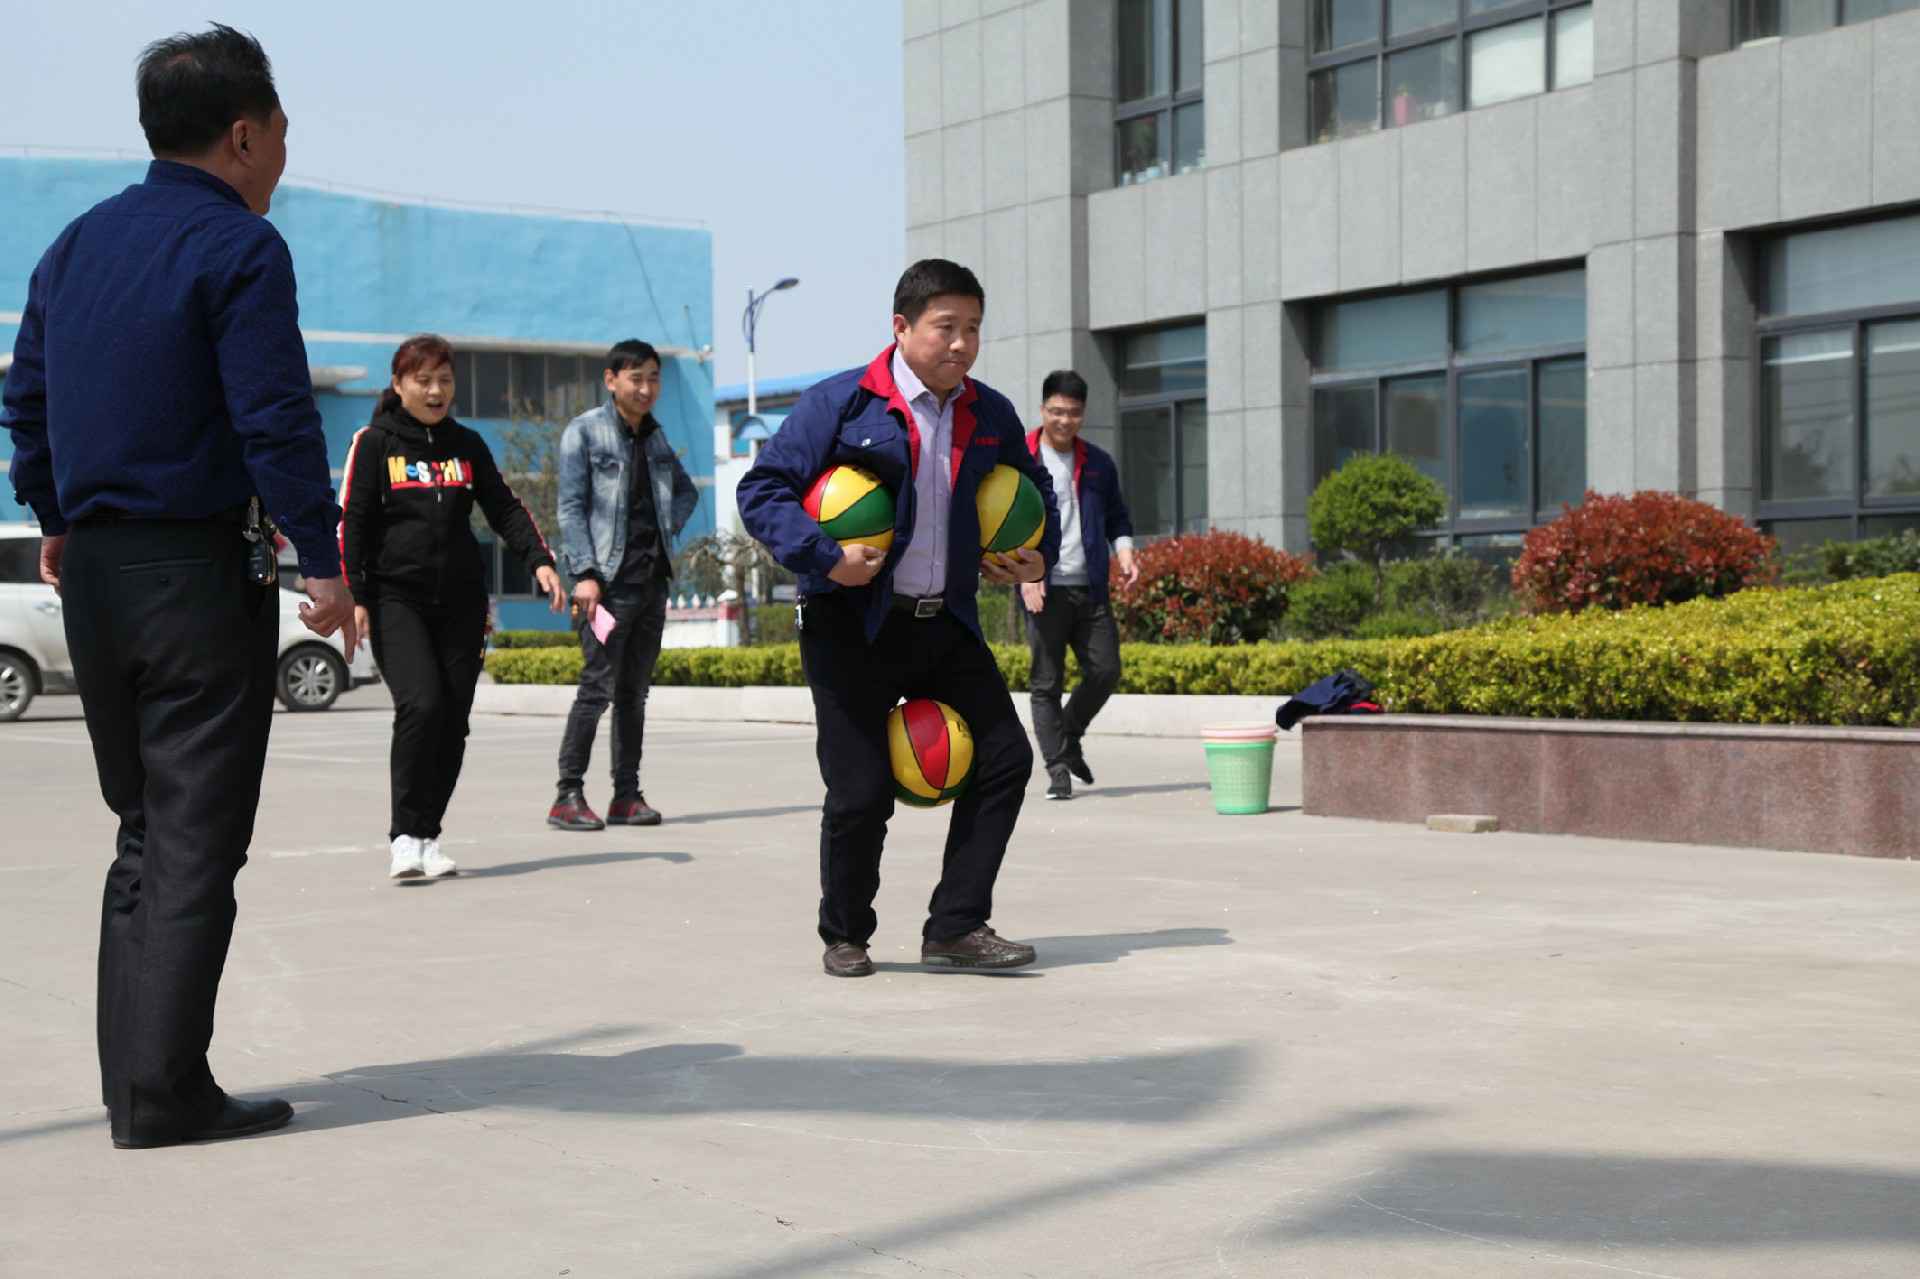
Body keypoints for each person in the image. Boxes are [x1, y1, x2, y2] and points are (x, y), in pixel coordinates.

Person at [1, 25, 357, 1148]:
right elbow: (274, 416)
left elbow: (25, 401)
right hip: (194, 574)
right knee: (196, 836)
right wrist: (325, 559)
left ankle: (137, 1083)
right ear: (244, 134)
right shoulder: (239, 246)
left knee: (145, 830)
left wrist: (57, 516)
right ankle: (164, 1093)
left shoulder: (74, 246)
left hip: (97, 575)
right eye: (282, 132)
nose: (284, 153)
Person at [737, 258, 1060, 978]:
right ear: (902, 327)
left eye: (973, 328)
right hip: (851, 623)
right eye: (946, 327)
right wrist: (826, 558)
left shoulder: (990, 414)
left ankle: (956, 925)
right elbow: (762, 490)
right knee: (860, 790)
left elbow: (1036, 492)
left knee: (1006, 758)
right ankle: (846, 933)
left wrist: (1039, 556)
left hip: (945, 622)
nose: (962, 343)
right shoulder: (841, 404)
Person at [339, 335, 565, 880]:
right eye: (423, 380)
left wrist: (538, 560)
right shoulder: (374, 444)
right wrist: (356, 595)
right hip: (396, 598)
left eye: (444, 380)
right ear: (399, 385)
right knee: (421, 705)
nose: (435, 390)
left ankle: (427, 836)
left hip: (462, 602)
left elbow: (504, 507)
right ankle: (403, 837)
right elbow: (353, 521)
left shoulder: (468, 445)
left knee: (453, 720)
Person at [547, 340, 698, 831]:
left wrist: (664, 533)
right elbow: (570, 508)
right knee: (597, 688)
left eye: (653, 378)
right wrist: (585, 574)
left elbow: (686, 493)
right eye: (636, 378)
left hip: (651, 583)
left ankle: (626, 795)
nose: (646, 388)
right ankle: (567, 794)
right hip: (606, 587)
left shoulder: (655, 438)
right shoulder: (585, 431)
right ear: (611, 380)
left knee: (634, 695)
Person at [1020, 370, 1138, 800]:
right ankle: (1057, 769)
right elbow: (1002, 521)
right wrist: (1025, 575)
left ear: (1082, 414)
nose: (1063, 420)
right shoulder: (1021, 460)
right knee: (1046, 683)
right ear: (1042, 410)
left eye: (1072, 413)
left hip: (1090, 587)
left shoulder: (1099, 463)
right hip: (1043, 587)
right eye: (1056, 411)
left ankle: (1069, 734)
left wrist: (1124, 551)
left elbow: (1117, 517)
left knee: (1107, 670)